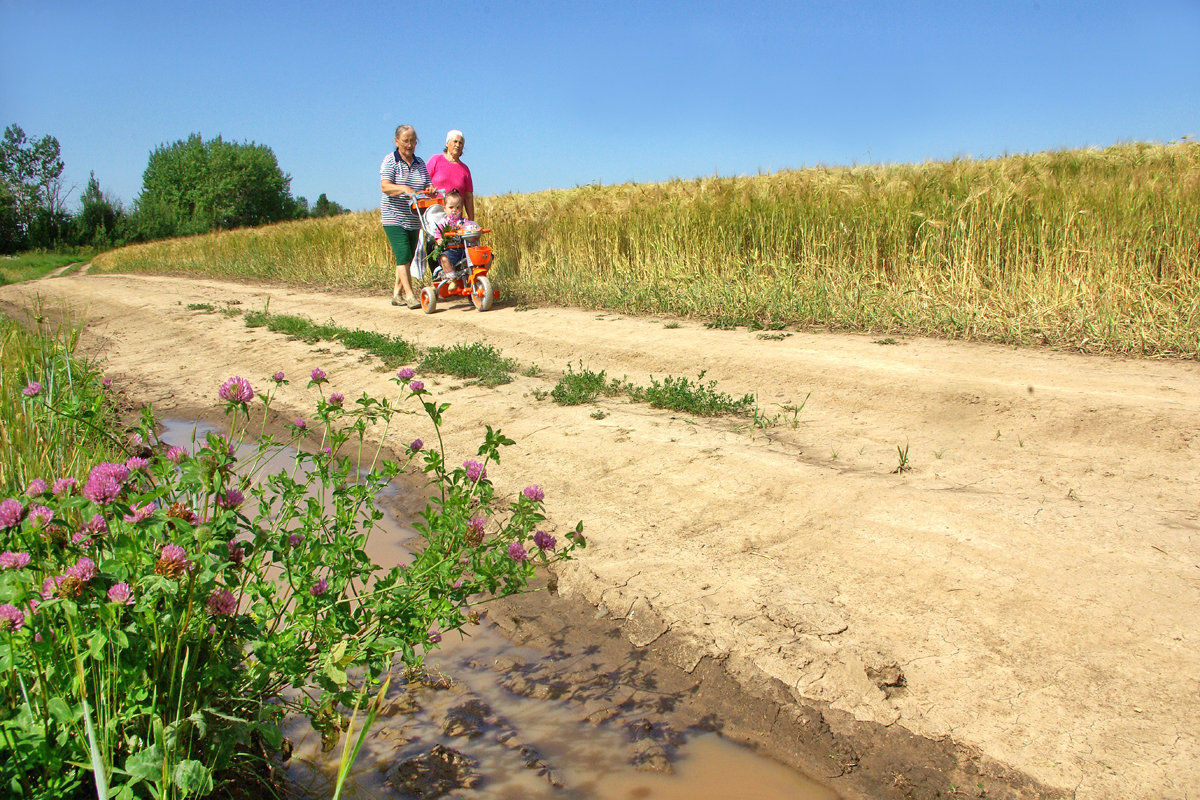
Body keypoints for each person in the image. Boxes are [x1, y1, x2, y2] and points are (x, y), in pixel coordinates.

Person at [380, 124, 431, 308]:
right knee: (403, 254)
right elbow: (385, 186)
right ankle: (410, 296)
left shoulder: (420, 163)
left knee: (407, 257)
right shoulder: (390, 161)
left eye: (412, 141)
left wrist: (429, 190)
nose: (409, 145)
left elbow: (426, 185)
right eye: (405, 141)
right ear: (396, 141)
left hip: (413, 217)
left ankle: (396, 294)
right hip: (393, 216)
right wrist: (403, 189)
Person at [433, 190, 477, 289]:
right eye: (451, 207)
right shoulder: (443, 222)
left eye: (458, 207)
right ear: (444, 208)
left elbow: (470, 228)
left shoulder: (463, 221)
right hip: (451, 250)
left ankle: (474, 278)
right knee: (444, 258)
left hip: (463, 249)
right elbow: (438, 234)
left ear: (462, 209)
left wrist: (467, 229)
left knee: (475, 257)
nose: (454, 210)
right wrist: (439, 239)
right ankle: (452, 279)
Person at [427, 130, 475, 220]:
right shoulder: (436, 160)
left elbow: (468, 197)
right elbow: (424, 181)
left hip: (455, 219)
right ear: (447, 143)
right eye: (455, 141)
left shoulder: (465, 169)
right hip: (434, 216)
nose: (457, 145)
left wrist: (472, 220)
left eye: (461, 143)